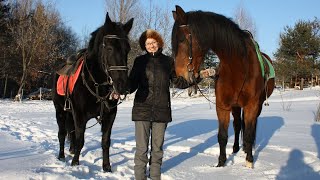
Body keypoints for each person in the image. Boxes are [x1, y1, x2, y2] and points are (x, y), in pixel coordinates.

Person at [128, 29, 213, 180]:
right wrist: (120, 87)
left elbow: (179, 82)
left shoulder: (168, 61)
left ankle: (155, 176)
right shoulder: (139, 61)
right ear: (144, 45)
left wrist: (198, 76)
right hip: (142, 109)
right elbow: (131, 84)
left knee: (157, 148)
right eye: (148, 43)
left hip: (161, 110)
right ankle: (139, 177)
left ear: (159, 43)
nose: (151, 45)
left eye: (153, 42)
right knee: (141, 149)